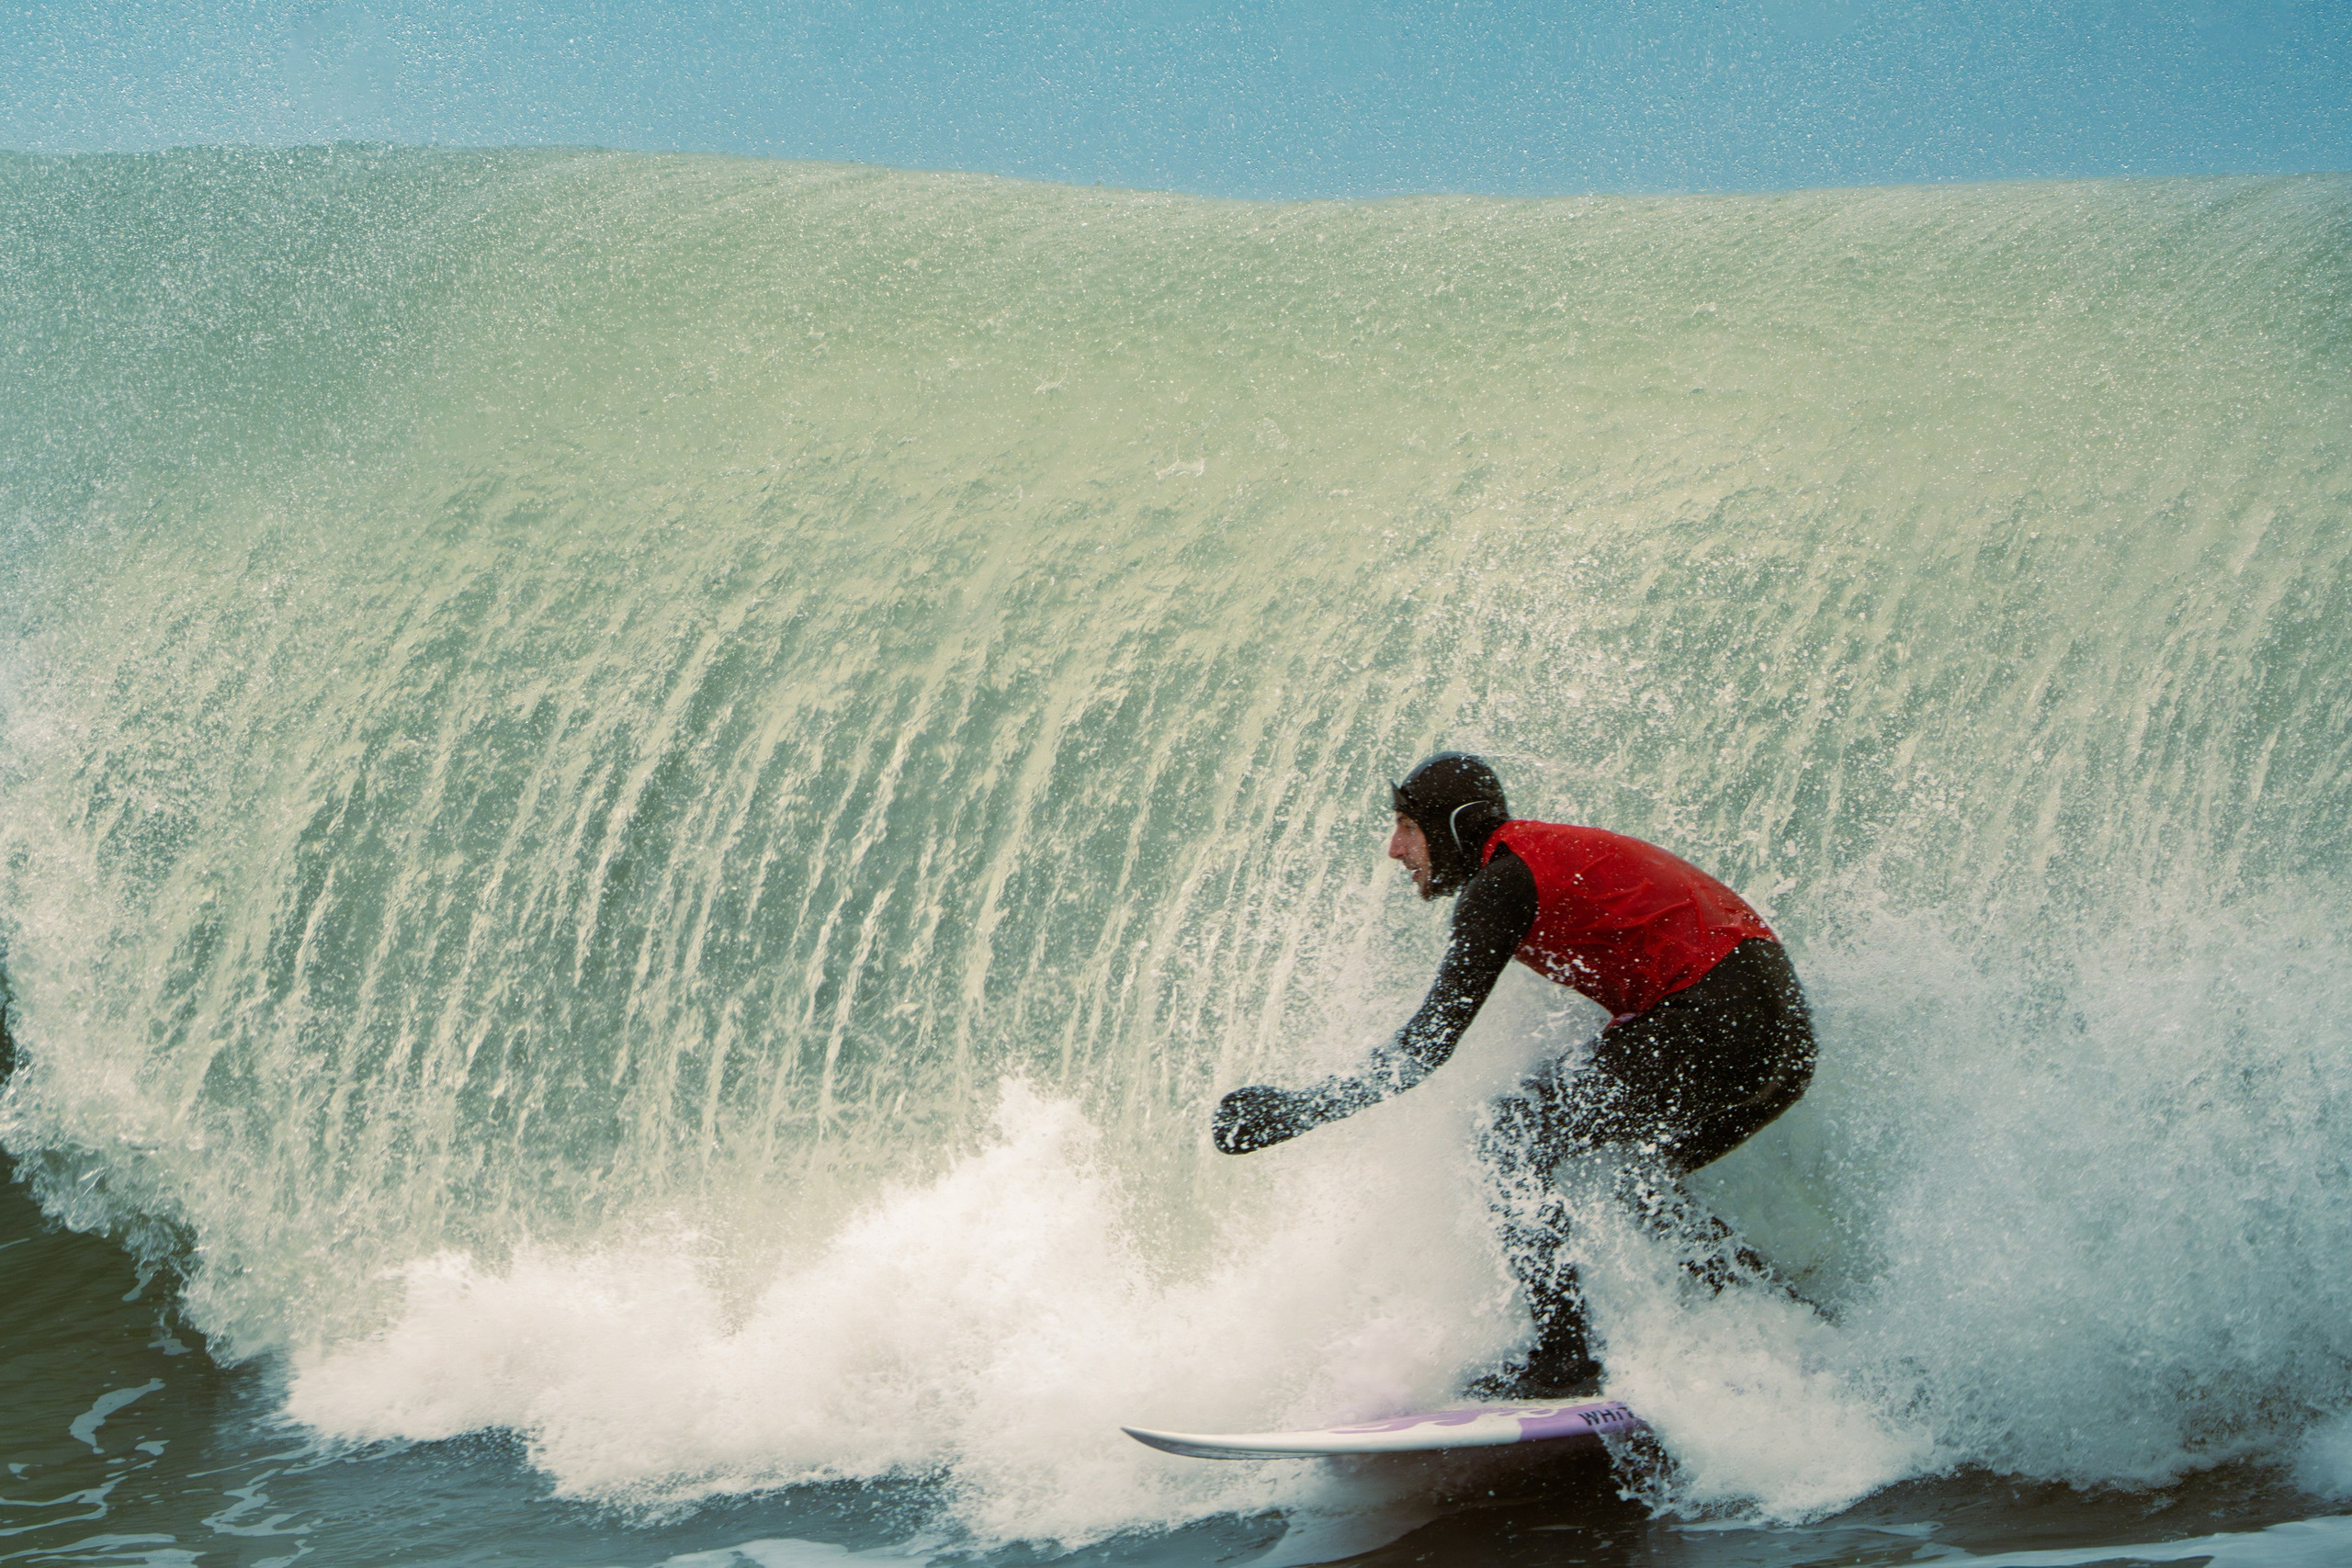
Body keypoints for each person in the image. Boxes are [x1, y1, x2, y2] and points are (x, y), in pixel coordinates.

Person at [1212, 752, 1815, 1397]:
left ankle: (1563, 1359)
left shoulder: (1502, 881)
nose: (1395, 849)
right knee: (1637, 1182)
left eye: (1408, 827)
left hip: (1717, 1013)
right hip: (1783, 1038)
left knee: (1509, 1135)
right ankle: (1787, 1323)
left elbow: (1427, 1045)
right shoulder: (1534, 859)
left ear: (1453, 826)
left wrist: (1298, 1110)